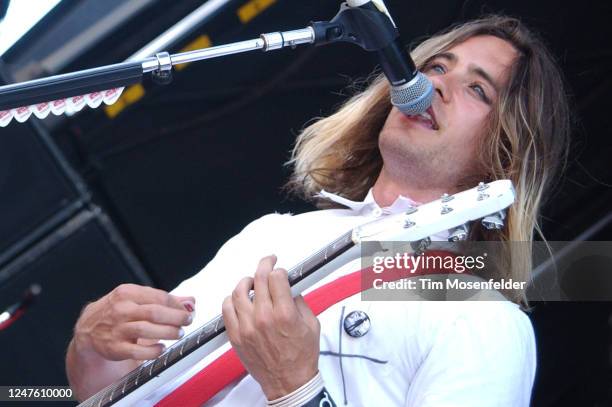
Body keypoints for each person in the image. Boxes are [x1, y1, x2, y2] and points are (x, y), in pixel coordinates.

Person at [65, 14, 570, 406]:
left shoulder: (484, 322)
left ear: (505, 153)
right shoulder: (272, 236)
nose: (435, 83)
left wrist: (296, 387)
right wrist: (92, 347)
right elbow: (117, 393)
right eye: (436, 65)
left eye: (477, 89)